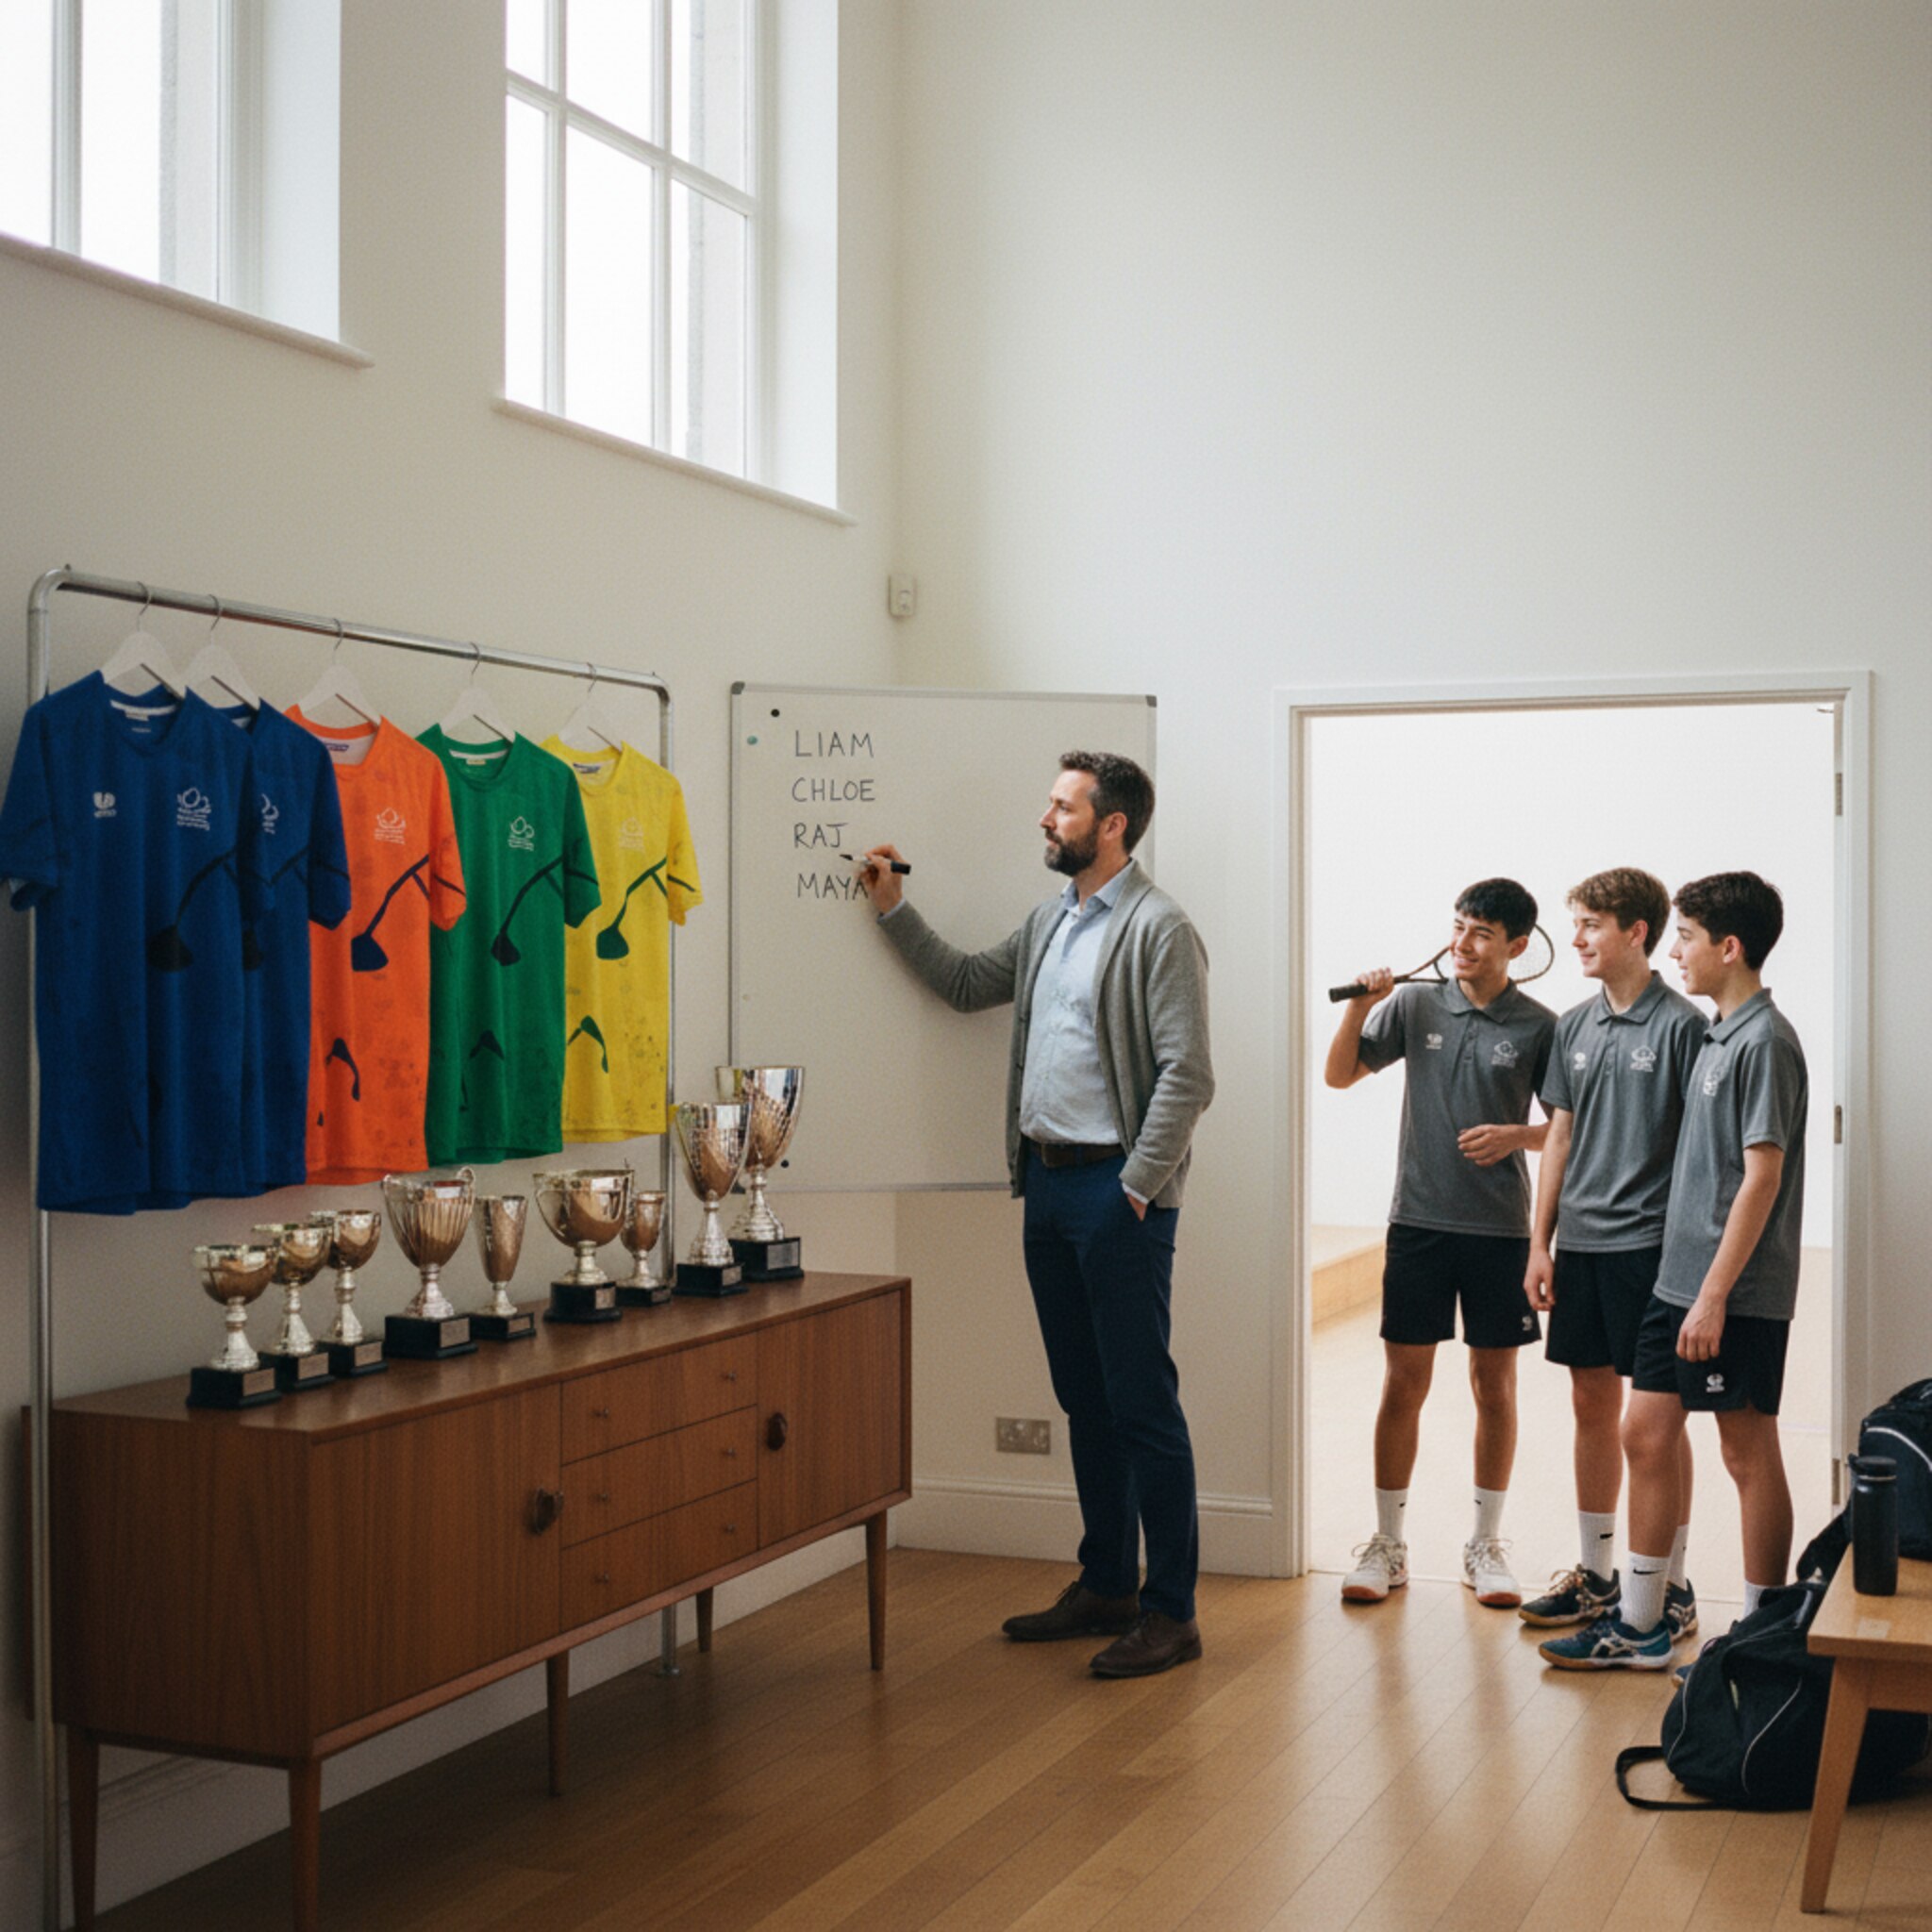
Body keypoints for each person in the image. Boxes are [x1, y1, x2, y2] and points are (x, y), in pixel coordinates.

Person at [856, 751, 1213, 1678]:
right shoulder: (1050, 919)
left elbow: (1187, 1073)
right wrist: (894, 908)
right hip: (1049, 1186)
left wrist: (1136, 1184)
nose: (1043, 818)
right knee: (1082, 1396)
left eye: (1061, 806)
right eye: (1050, 804)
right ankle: (1107, 1583)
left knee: (1140, 1402)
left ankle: (1171, 1611)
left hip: (1116, 1193)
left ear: (1112, 825)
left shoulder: (1157, 927)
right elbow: (971, 982)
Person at [1541, 872, 1807, 1671]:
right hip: (1676, 1283)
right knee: (1644, 1431)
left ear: (1729, 947)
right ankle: (1642, 1621)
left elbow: (1761, 1177)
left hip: (1730, 1293)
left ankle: (1761, 1638)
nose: (1676, 950)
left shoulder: (1764, 1041)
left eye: (1686, 936)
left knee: (1746, 1452)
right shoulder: (1725, 1033)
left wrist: (1716, 1296)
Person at [1325, 879, 1556, 1609]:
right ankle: (1387, 1546)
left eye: (1482, 932)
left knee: (1495, 1389)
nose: (1462, 943)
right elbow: (1338, 1076)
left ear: (1517, 946)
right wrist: (1362, 1003)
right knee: (1404, 1384)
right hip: (1418, 1225)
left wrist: (1520, 1135)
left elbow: (1569, 1129)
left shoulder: (1541, 1025)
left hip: (1500, 1233)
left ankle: (1485, 1545)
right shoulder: (1417, 1004)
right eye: (1458, 927)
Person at [1518, 869, 1707, 1641]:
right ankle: (1598, 1577)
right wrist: (1540, 1241)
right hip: (1582, 1247)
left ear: (1637, 931)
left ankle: (1672, 1585)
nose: (1578, 938)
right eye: (1577, 922)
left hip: (1651, 1249)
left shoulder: (1685, 1026)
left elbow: (1702, 1152)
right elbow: (1558, 1134)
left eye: (1592, 923)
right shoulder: (1573, 1026)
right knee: (1590, 1405)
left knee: (1656, 1425)